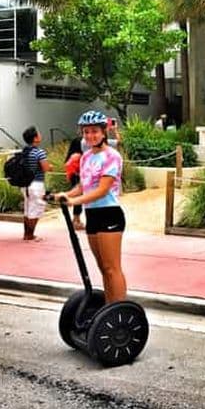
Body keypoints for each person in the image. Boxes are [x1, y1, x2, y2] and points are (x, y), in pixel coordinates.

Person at [55, 111, 127, 304]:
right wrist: (66, 195)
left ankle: (119, 309)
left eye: (94, 131)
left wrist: (74, 202)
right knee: (103, 268)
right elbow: (83, 186)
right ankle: (108, 308)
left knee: (112, 268)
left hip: (109, 214)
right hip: (92, 216)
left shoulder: (112, 157)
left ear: (104, 132)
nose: (90, 136)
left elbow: (103, 190)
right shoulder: (86, 157)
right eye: (86, 132)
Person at [21, 126, 51, 241]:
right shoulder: (39, 152)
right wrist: (50, 167)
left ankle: (26, 234)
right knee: (36, 208)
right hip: (36, 184)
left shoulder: (24, 151)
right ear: (35, 138)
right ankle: (30, 235)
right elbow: (45, 168)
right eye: (38, 133)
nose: (40, 135)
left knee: (27, 209)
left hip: (25, 184)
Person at [64, 135, 85, 230]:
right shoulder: (78, 156)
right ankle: (76, 220)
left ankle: (76, 219)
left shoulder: (71, 156)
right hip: (78, 177)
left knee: (79, 199)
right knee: (79, 199)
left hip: (74, 177)